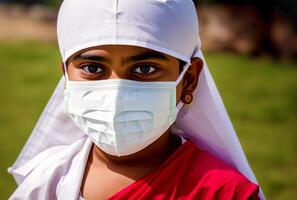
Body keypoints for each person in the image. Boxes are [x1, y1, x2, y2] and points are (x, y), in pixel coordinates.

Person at [8, 0, 264, 199]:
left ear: (188, 80)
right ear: (67, 78)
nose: (117, 92)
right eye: (94, 69)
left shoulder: (223, 193)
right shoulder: (46, 183)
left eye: (144, 69)